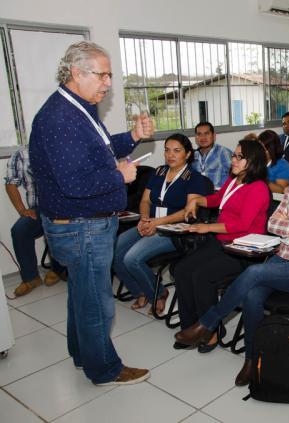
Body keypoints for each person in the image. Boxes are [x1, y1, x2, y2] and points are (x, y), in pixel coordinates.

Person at [29, 41, 154, 385]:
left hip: (84, 224)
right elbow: (74, 182)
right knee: (98, 303)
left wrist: (132, 136)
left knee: (82, 295)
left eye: (109, 75)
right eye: (102, 75)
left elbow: (99, 150)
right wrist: (119, 175)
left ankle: (83, 354)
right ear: (76, 72)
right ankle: (104, 369)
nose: (108, 83)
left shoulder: (79, 108)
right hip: (82, 227)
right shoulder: (60, 117)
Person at [174, 146, 289, 386]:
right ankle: (252, 361)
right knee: (253, 295)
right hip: (282, 259)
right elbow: (273, 224)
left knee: (254, 272)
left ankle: (208, 323)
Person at [172, 140, 270, 352]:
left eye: (238, 156)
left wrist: (208, 228)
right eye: (234, 155)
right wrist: (197, 200)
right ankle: (192, 328)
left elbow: (243, 224)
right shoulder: (234, 180)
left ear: (252, 161)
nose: (232, 160)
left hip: (242, 249)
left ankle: (211, 331)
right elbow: (217, 199)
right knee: (182, 270)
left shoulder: (258, 188)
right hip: (221, 242)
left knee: (202, 275)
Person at [113, 134, 207, 313]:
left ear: (187, 154)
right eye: (167, 150)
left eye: (177, 151)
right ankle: (140, 291)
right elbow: (145, 201)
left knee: (131, 258)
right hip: (151, 223)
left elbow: (188, 211)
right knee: (114, 251)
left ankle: (158, 292)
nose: (170, 155)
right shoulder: (159, 172)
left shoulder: (194, 178)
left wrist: (157, 223)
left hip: (173, 231)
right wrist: (145, 219)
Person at [5, 146, 67, 297]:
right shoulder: (21, 154)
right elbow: (10, 184)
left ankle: (58, 269)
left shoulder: (63, 147)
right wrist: (22, 210)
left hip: (63, 207)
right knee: (19, 230)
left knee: (54, 226)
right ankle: (31, 278)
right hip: (38, 209)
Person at [191, 122, 232, 189]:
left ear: (214, 136)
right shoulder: (193, 156)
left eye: (206, 133)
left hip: (218, 193)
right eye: (199, 134)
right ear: (196, 137)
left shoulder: (223, 152)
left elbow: (236, 175)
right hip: (198, 194)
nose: (203, 137)